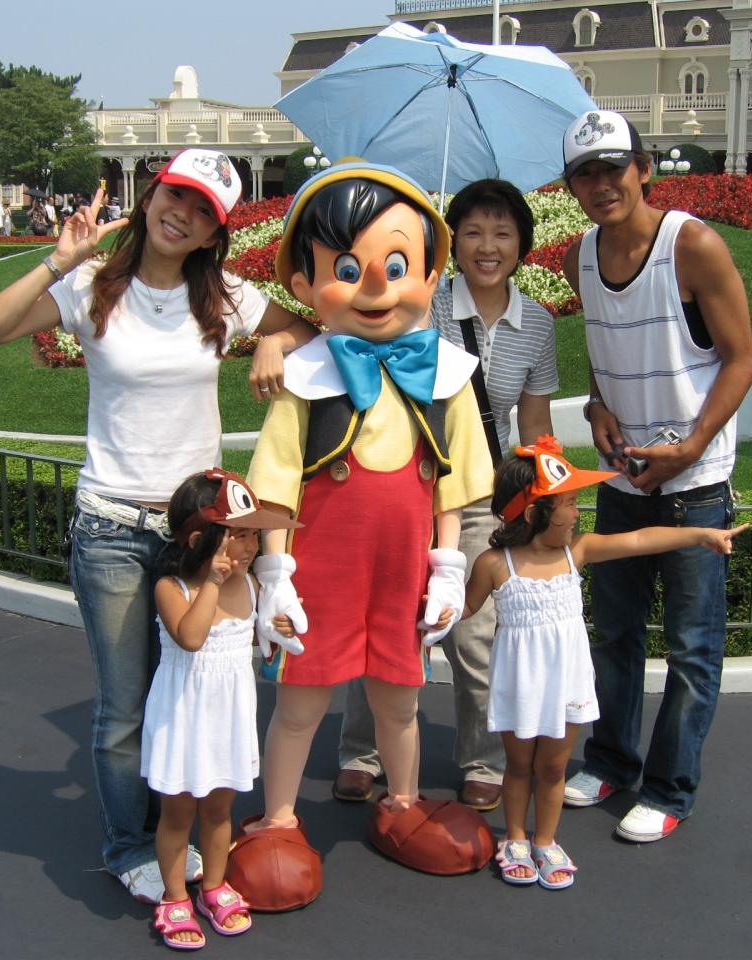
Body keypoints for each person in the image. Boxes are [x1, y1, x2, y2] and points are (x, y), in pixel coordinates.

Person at [0, 148, 314, 903]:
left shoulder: (223, 295)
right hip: (113, 531)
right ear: (151, 194)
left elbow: (308, 331)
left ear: (213, 232)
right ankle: (130, 846)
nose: (180, 215)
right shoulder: (93, 286)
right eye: (175, 196)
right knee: (125, 706)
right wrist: (59, 260)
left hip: (198, 534)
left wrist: (272, 339)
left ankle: (173, 835)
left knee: (186, 691)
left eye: (201, 211)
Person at [242, 161, 494, 893]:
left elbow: (451, 489)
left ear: (429, 273)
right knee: (300, 703)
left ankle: (404, 803)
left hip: (403, 573)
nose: (376, 286)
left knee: (399, 700)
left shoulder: (447, 375)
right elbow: (276, 485)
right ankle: (278, 817)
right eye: (347, 270)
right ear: (305, 285)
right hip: (319, 575)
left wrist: (448, 570)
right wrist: (275, 576)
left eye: (397, 265)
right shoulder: (304, 377)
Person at [559, 109, 752, 843]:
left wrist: (693, 445)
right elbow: (605, 349)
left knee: (692, 648)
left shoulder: (691, 245)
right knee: (614, 634)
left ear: (643, 170)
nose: (602, 185)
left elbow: (741, 358)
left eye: (614, 168)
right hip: (622, 481)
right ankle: (611, 760)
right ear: (573, 187)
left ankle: (670, 789)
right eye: (586, 174)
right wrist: (597, 405)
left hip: (694, 483)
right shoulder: (581, 256)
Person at [334, 178, 559, 813]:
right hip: (409, 483)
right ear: (452, 242)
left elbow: (534, 423)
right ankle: (361, 753)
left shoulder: (537, 324)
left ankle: (483, 759)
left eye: (502, 233)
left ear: (522, 244)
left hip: (482, 495)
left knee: (472, 633)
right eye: (473, 232)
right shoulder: (421, 300)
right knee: (384, 618)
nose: (488, 246)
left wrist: (543, 497)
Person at [459, 438, 747, 888]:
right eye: (569, 504)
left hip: (567, 682)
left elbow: (640, 539)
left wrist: (700, 534)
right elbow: (463, 608)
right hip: (520, 684)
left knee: (553, 768)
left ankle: (545, 840)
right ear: (534, 513)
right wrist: (428, 611)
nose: (578, 513)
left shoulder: (578, 551)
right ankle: (514, 837)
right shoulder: (496, 564)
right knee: (517, 767)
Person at [143, 469, 300, 949]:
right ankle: (175, 896)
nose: (251, 547)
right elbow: (191, 638)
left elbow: (251, 639)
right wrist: (212, 580)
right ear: (199, 541)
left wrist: (277, 629)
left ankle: (213, 886)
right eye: (239, 535)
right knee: (177, 814)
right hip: (182, 720)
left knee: (219, 810)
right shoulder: (172, 588)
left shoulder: (249, 585)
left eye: (253, 535)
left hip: (226, 720)